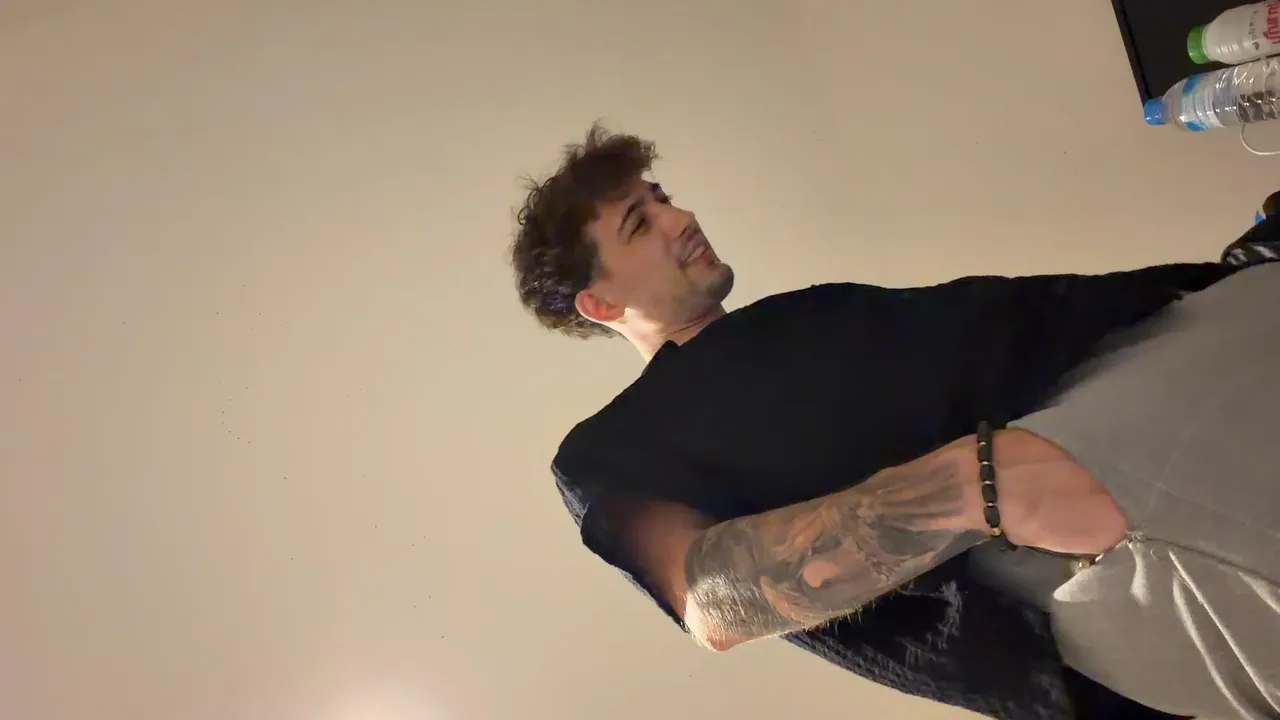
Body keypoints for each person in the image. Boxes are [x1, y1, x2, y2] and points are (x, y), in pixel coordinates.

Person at [508, 125, 1280, 720]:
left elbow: (1016, 324)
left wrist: (1227, 277)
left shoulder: (806, 314)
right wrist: (986, 483)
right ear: (600, 303)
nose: (680, 217)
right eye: (639, 223)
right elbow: (708, 599)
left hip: (1208, 353)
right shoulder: (616, 447)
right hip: (1137, 523)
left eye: (664, 197)